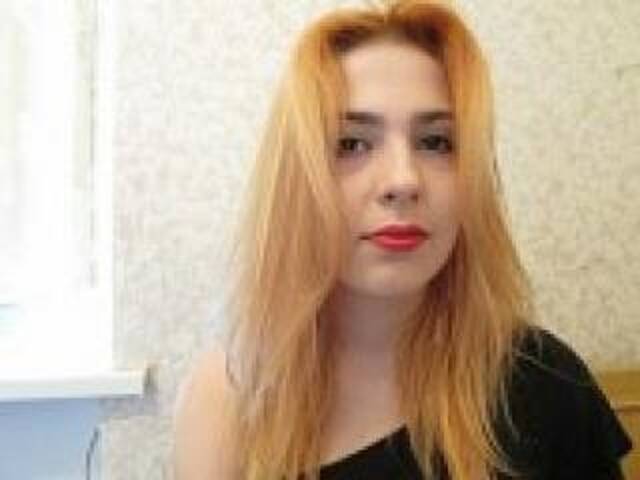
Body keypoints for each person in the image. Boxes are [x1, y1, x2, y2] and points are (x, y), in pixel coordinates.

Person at [173, 1, 633, 479]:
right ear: (294, 180)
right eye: (351, 143)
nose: (403, 180)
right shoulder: (224, 399)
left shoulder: (547, 385)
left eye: (436, 142)